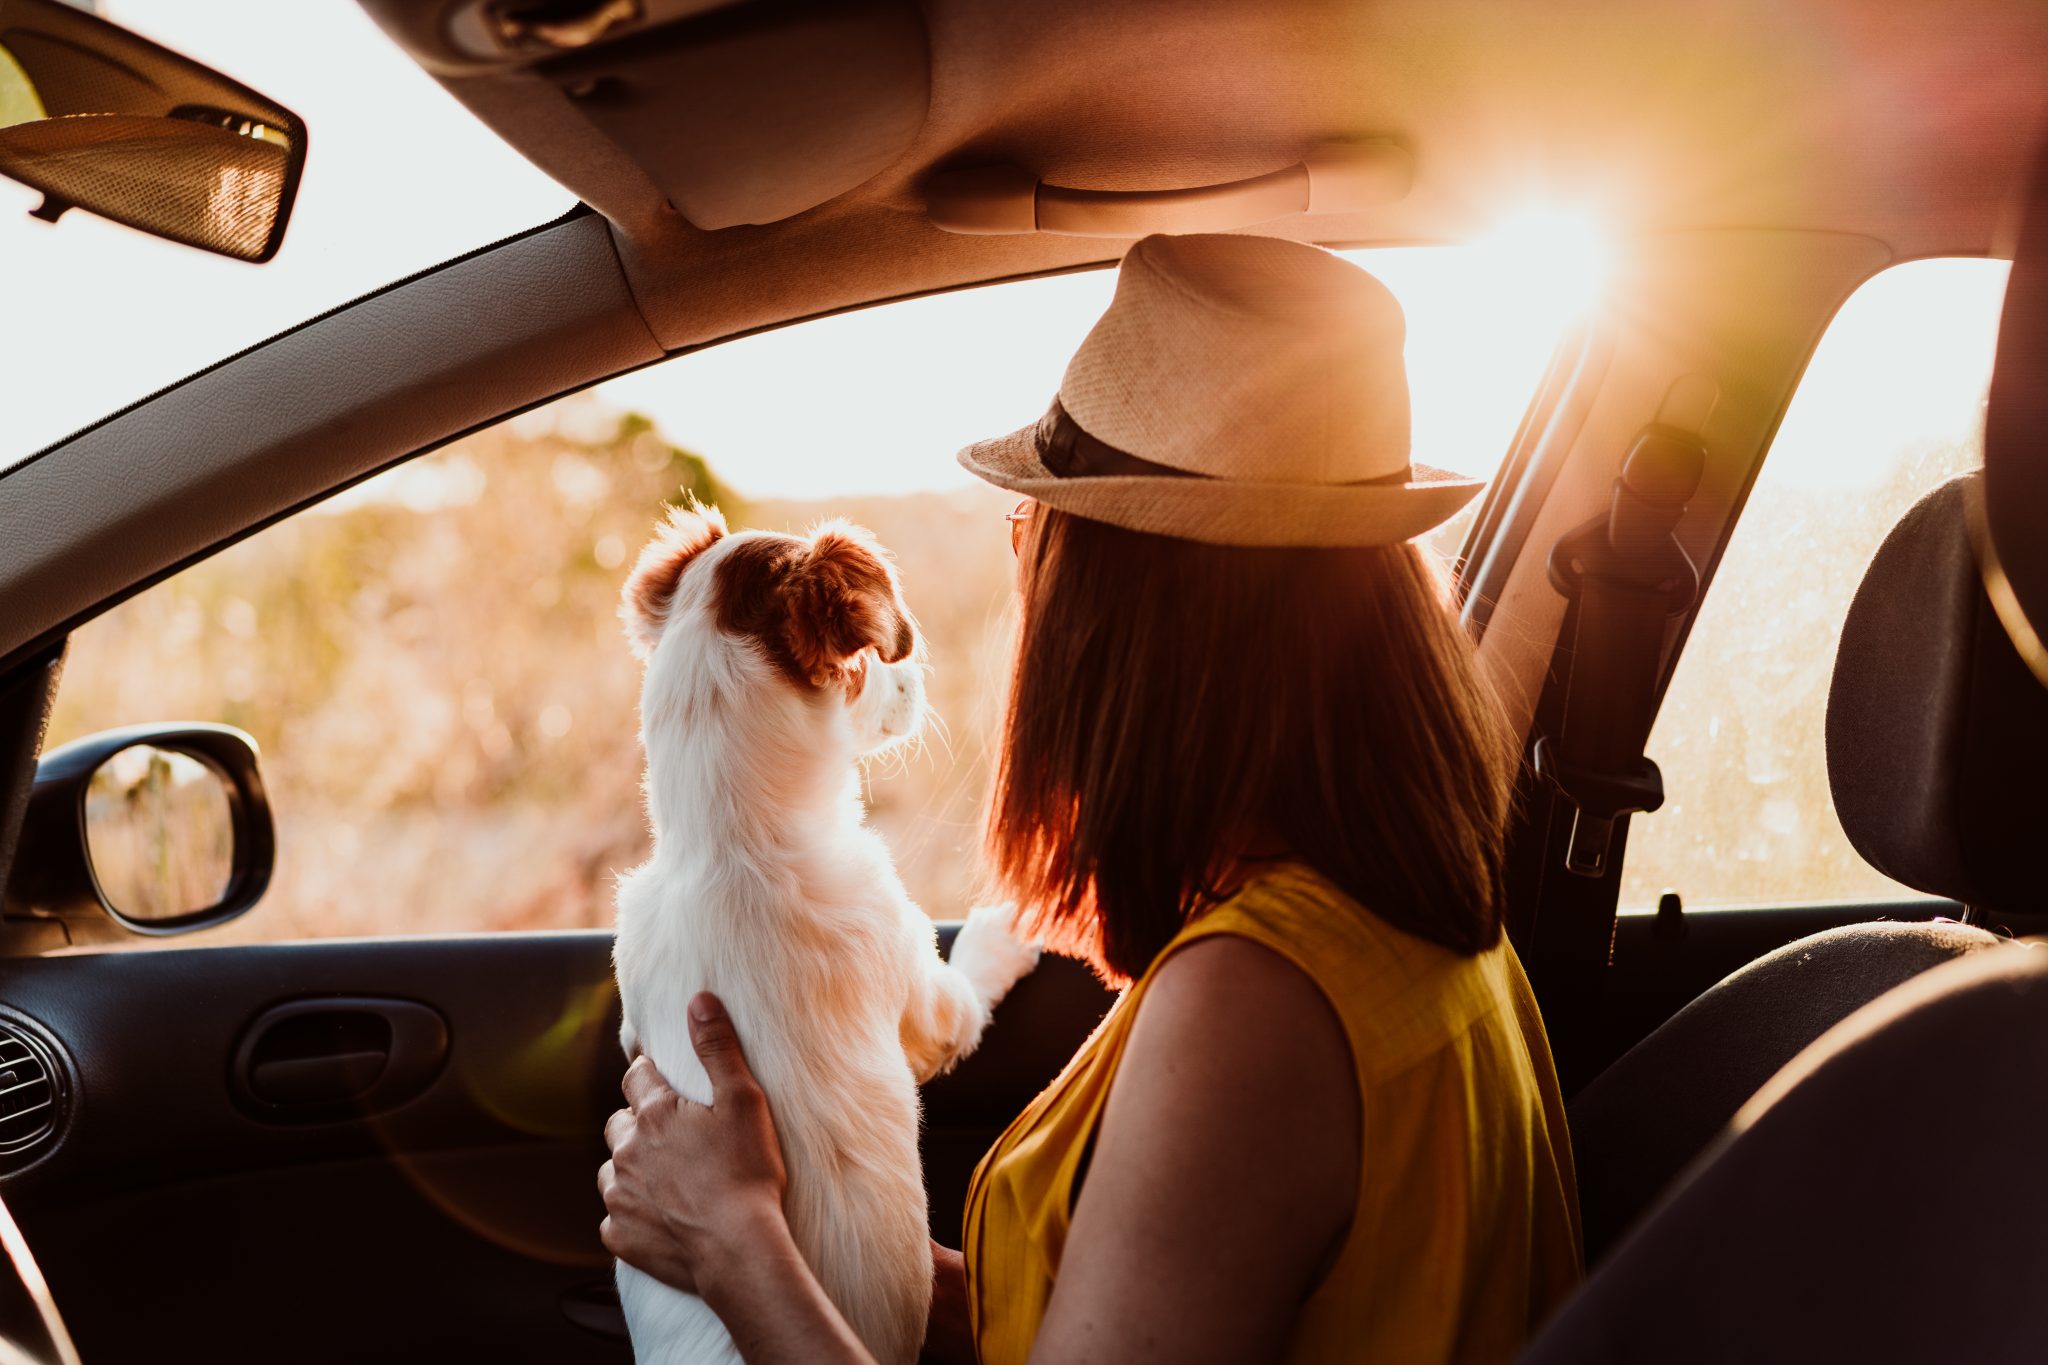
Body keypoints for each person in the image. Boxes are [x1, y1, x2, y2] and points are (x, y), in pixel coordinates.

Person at [599, 233, 1583, 1364]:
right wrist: (838, 1251)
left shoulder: (1254, 1006)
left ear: (1118, 612)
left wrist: (735, 1244)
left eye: (1032, 529)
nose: (1023, 571)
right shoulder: (1393, 935)